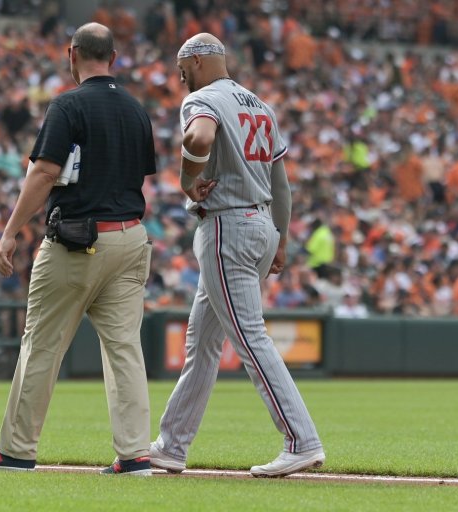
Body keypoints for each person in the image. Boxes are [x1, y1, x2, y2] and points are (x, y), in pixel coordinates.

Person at [0, 22, 157, 475]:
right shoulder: (136, 109)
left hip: (77, 241)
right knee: (125, 349)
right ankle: (135, 454)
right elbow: (139, 174)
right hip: (130, 237)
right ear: (112, 58)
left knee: (42, 346)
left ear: (72, 54)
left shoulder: (68, 104)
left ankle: (15, 451)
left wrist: (10, 231)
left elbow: (44, 172)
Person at [149, 33, 324, 478]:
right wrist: (280, 239)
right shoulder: (260, 105)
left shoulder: (204, 98)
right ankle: (171, 445)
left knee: (248, 336)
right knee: (202, 343)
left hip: (228, 224)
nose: (180, 75)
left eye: (182, 65)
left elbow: (200, 136)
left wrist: (188, 179)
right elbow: (281, 184)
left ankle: (301, 440)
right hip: (262, 223)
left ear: (199, 60)